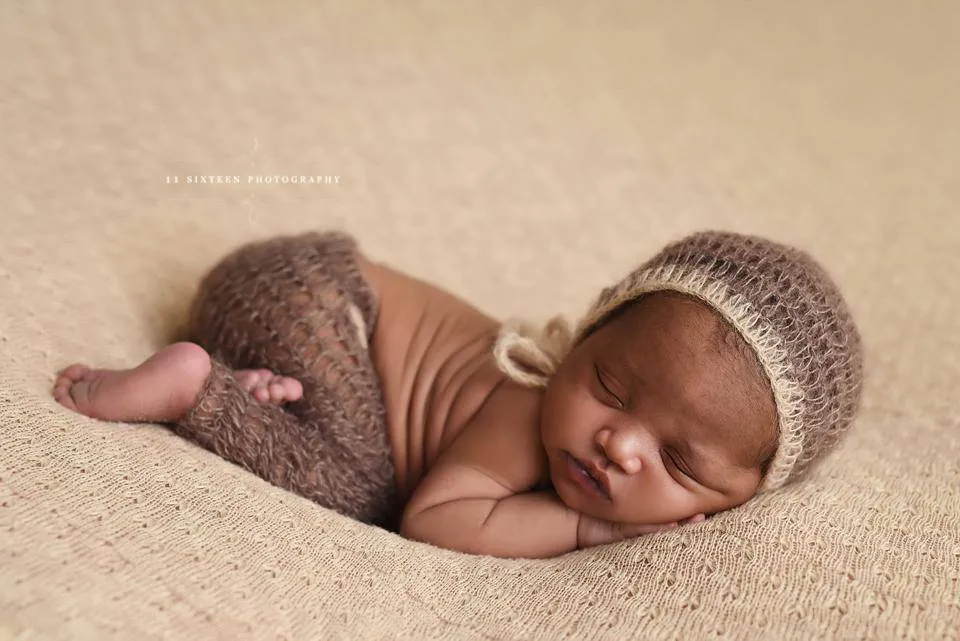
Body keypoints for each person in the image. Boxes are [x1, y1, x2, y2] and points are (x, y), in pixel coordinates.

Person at [52, 229, 864, 559]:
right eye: (608, 384)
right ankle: (198, 391)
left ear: (743, 496)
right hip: (317, 302)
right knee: (367, 491)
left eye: (679, 460)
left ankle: (265, 391)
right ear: (579, 339)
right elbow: (435, 519)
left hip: (300, 311)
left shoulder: (595, 428)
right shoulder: (527, 406)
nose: (618, 442)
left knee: (357, 440)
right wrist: (580, 523)